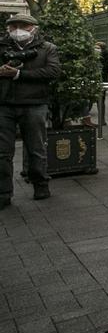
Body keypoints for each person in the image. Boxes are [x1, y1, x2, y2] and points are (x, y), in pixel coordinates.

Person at [0, 14, 61, 208]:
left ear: (33, 28)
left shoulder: (47, 49)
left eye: (23, 26)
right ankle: (3, 193)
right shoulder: (2, 47)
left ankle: (40, 184)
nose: (18, 30)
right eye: (13, 26)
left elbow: (53, 72)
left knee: (36, 148)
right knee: (2, 152)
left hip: (34, 104)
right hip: (5, 104)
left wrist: (18, 74)